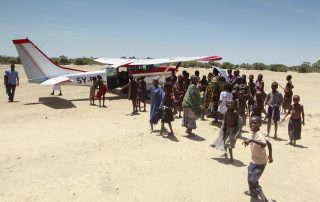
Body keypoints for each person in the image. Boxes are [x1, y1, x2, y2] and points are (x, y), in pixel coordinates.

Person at [242, 116, 273, 202]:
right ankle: (252, 193)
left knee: (253, 181)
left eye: (255, 123)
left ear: (260, 125)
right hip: (254, 160)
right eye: (251, 123)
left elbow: (264, 144)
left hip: (260, 162)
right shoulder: (255, 133)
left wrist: (251, 140)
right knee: (250, 178)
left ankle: (264, 199)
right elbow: (269, 143)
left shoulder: (259, 135)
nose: (252, 124)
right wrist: (270, 155)